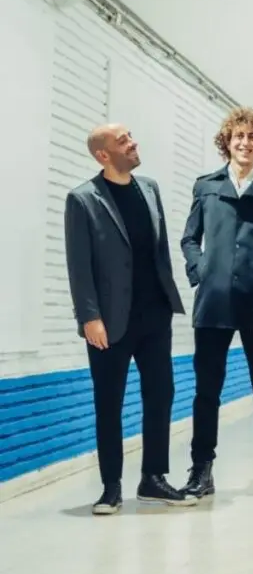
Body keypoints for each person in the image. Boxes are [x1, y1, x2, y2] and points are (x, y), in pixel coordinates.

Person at [64, 123, 195, 514]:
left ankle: (153, 478)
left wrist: (168, 298)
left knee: (161, 395)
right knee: (109, 402)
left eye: (130, 136)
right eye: (123, 141)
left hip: (154, 314)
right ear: (103, 155)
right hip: (109, 320)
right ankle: (110, 487)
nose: (133, 143)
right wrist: (89, 316)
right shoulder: (83, 199)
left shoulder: (149, 189)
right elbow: (79, 264)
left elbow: (159, 251)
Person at [180, 107, 253, 502]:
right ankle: (201, 469)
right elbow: (189, 238)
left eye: (252, 138)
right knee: (207, 391)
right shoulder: (206, 187)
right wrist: (201, 269)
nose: (245, 143)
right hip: (213, 304)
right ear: (227, 141)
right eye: (238, 136)